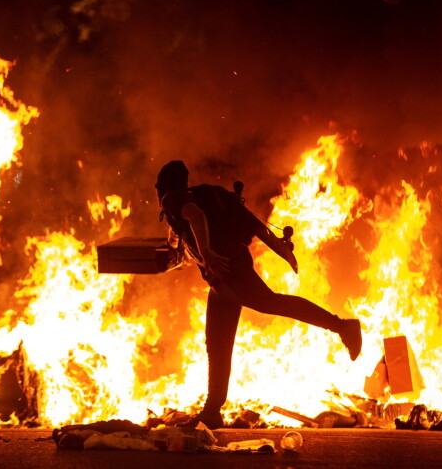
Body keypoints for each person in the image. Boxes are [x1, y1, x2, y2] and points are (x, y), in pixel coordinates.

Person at [155, 160, 362, 430]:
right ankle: (212, 412)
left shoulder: (174, 199)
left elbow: (195, 217)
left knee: (269, 302)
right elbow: (252, 224)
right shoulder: (196, 198)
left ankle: (343, 326)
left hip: (228, 270)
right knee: (217, 341)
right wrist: (281, 249)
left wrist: (206, 253)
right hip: (223, 276)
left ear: (161, 187)